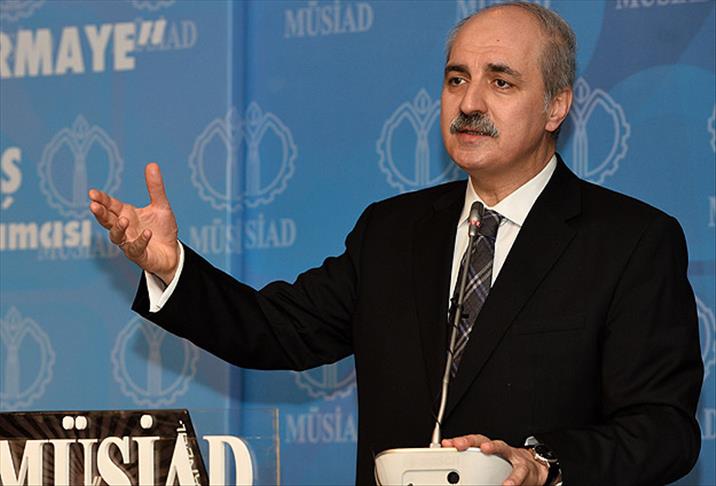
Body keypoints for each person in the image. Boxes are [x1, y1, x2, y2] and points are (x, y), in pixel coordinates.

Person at [89, 2, 703, 485]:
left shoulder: (631, 242)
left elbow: (664, 430)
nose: (469, 102)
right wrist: (172, 267)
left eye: (501, 82)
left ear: (556, 106)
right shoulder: (391, 231)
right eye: (456, 79)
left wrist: (544, 464)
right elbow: (274, 330)